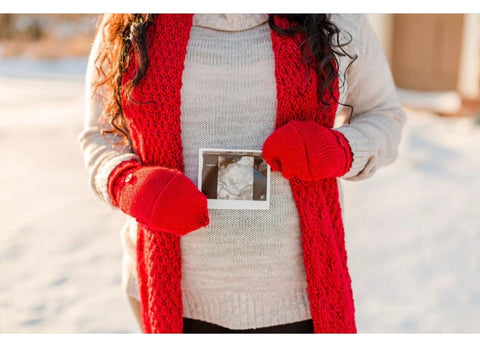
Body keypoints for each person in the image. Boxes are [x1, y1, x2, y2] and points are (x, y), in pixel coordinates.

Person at [78, 13, 406, 333]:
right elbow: (100, 134)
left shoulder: (336, 17)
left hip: (298, 302)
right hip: (171, 295)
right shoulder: (131, 21)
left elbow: (383, 116)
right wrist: (128, 183)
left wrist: (339, 149)